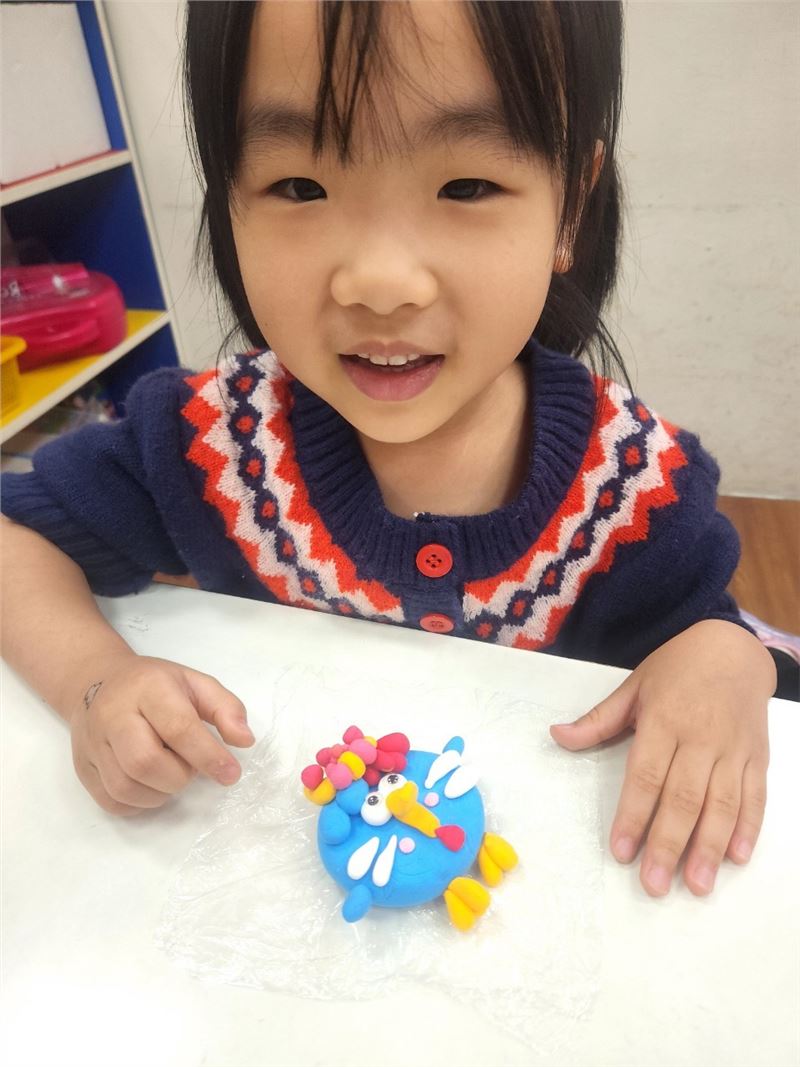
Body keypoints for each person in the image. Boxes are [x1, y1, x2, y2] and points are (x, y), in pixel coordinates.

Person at [0, 1, 776, 901]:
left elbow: (714, 641)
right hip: (265, 899)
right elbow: (18, 539)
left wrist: (727, 658)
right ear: (228, 199)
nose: (379, 282)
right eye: (299, 187)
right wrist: (95, 679)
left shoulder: (633, 489)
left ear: (571, 208)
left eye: (466, 187)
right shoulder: (208, 444)